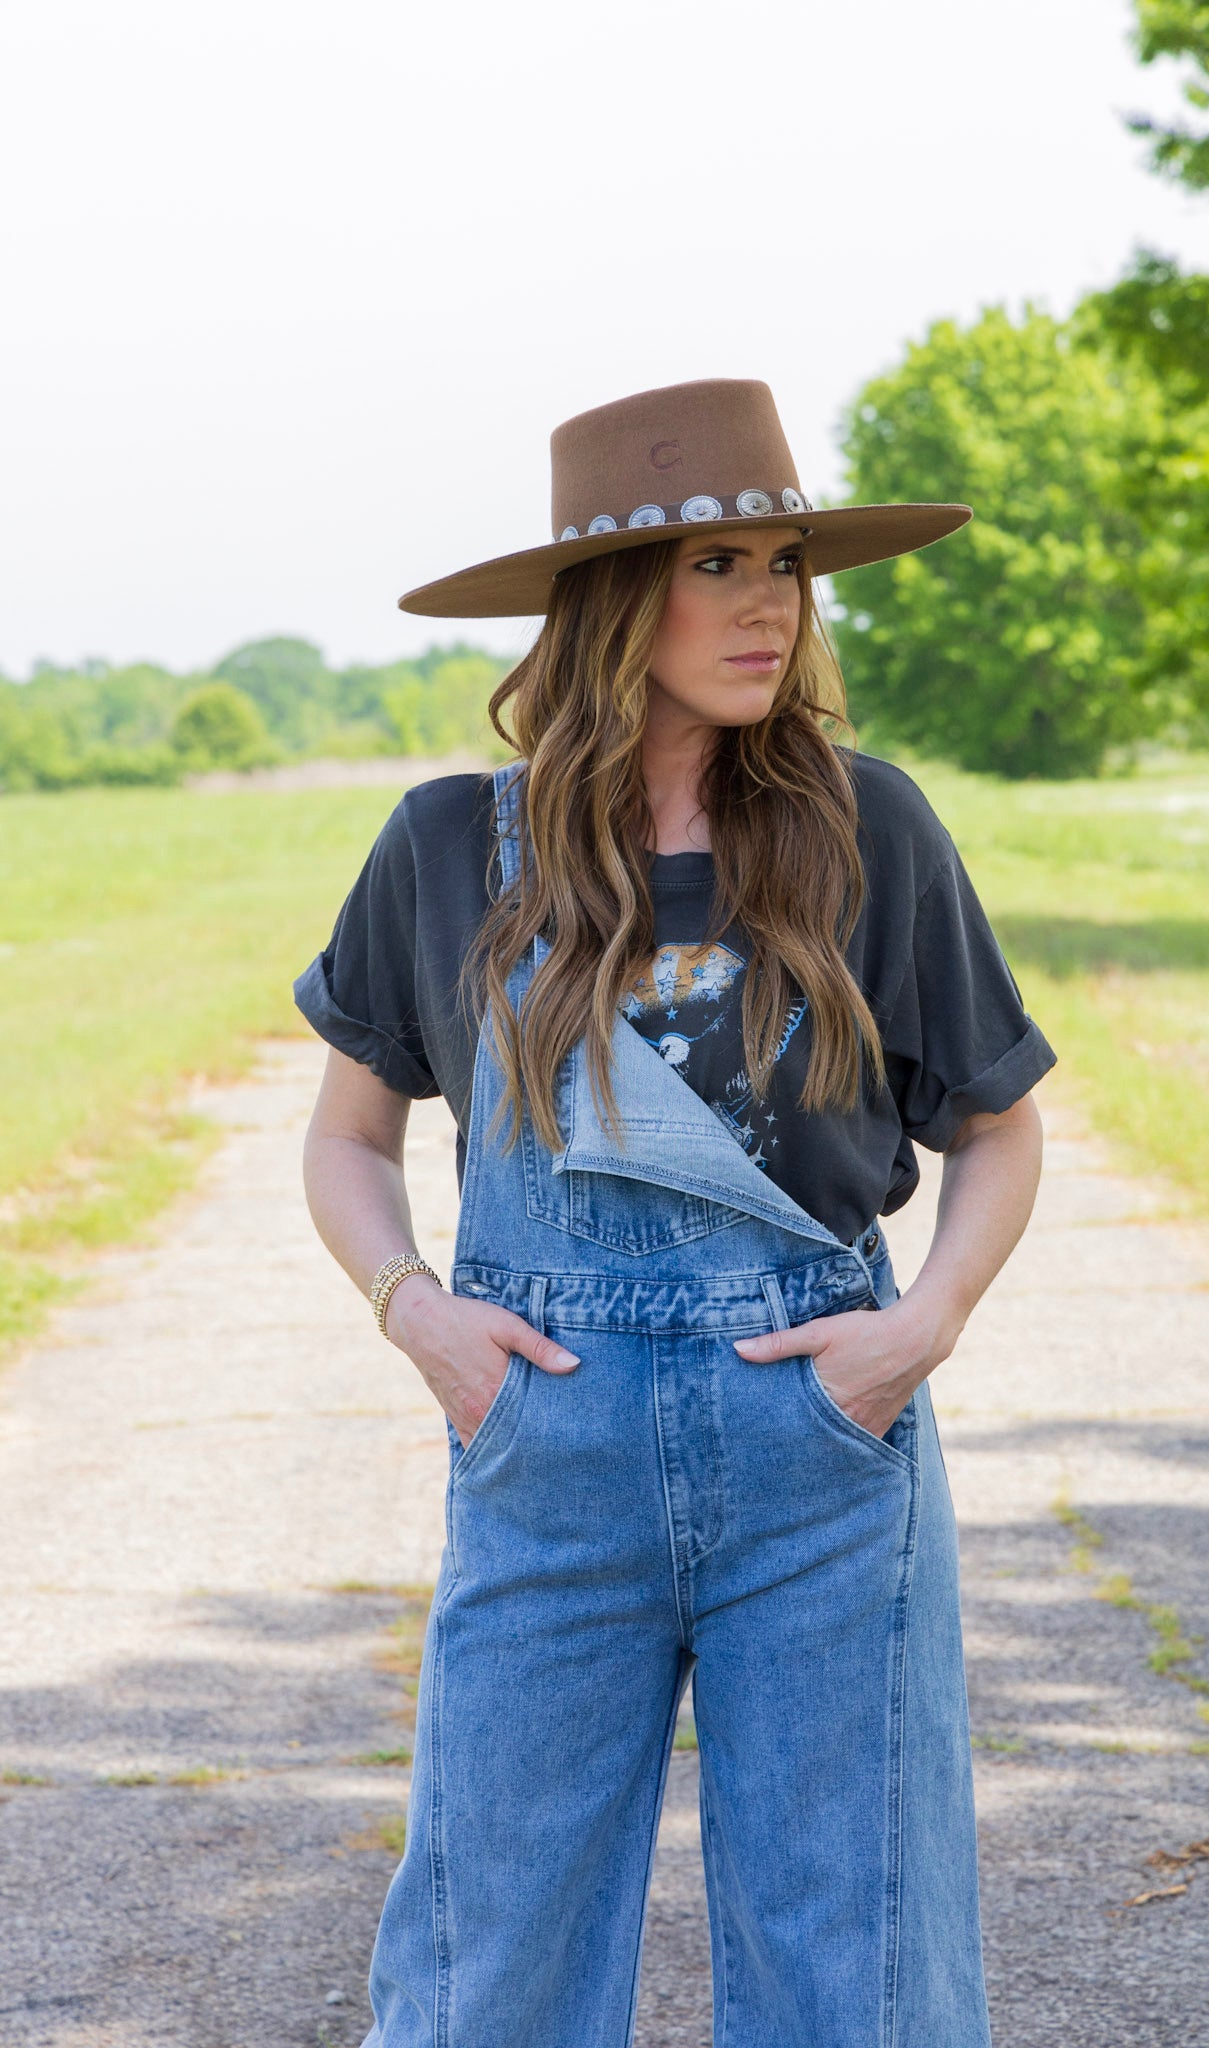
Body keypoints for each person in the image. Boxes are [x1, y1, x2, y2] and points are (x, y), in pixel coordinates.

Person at [293, 377, 1057, 2048]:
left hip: (818, 1447)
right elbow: (347, 1139)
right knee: (488, 1953)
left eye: (784, 562)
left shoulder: (868, 831)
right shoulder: (444, 851)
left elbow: (999, 1131)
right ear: (607, 602)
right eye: (718, 562)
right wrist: (417, 1313)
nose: (767, 601)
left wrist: (915, 1333)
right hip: (545, 1447)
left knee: (849, 1958)